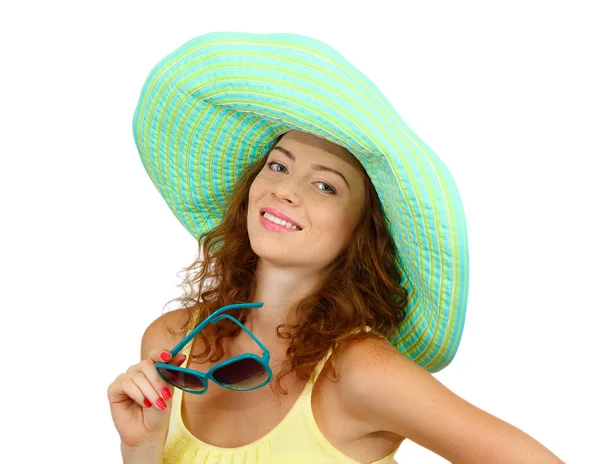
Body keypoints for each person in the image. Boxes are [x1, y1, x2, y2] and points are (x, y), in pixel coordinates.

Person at [107, 32, 564, 463]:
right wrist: (142, 445)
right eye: (278, 166)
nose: (285, 191)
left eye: (325, 185)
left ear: (360, 231)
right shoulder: (172, 342)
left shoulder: (361, 373)